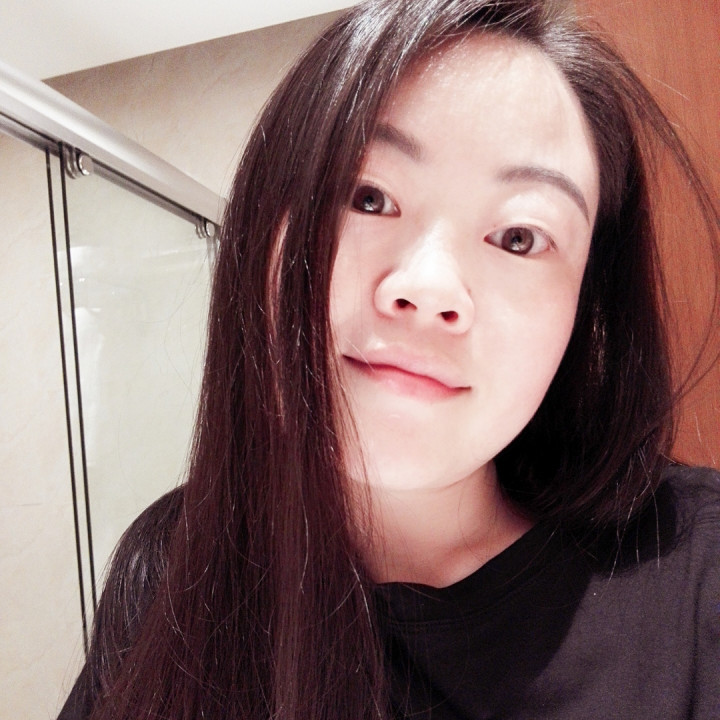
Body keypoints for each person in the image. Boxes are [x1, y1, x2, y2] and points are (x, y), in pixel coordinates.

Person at [58, 0, 720, 718]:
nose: (429, 289)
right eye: (368, 196)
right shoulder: (174, 563)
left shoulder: (696, 573)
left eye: (520, 238)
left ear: (586, 304)